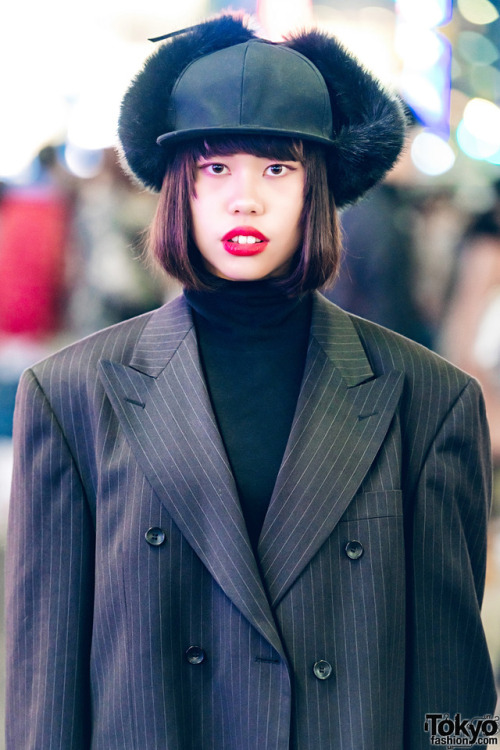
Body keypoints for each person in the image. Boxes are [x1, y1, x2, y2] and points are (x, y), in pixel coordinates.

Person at [5, 14, 496, 750]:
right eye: (215, 169)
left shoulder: (428, 401)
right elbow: (42, 692)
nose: (246, 199)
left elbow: (456, 699)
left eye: (277, 168)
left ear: (316, 189)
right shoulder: (70, 397)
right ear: (179, 188)